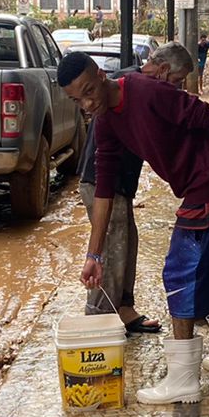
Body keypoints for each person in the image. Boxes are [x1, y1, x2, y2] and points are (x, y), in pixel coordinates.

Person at [59, 50, 209, 406]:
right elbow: (104, 187)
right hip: (201, 185)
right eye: (76, 100)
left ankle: (183, 380)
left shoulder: (147, 91)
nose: (85, 104)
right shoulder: (106, 122)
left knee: (179, 275)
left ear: (100, 74)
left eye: (88, 92)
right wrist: (94, 254)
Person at [77, 104, 161, 336]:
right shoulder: (132, 96)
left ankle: (123, 308)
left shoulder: (132, 92)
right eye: (177, 78)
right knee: (111, 253)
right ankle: (98, 320)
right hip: (102, 184)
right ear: (162, 70)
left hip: (117, 184)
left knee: (127, 244)